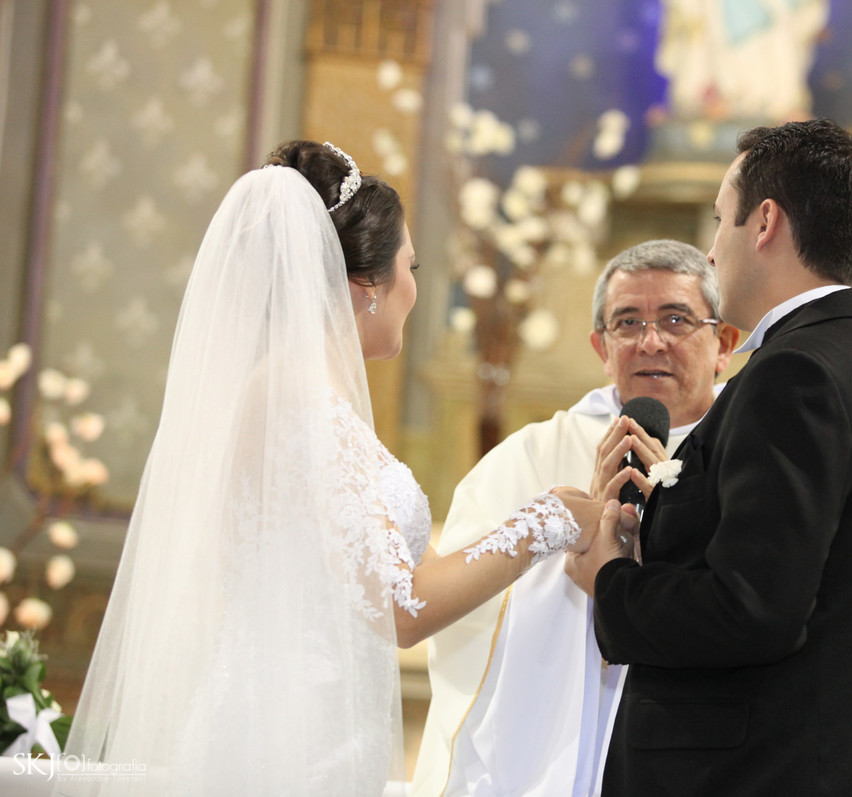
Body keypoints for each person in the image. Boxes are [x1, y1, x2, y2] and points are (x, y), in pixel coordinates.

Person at [57, 141, 598, 797]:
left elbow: (417, 571)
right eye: (411, 266)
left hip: (312, 726)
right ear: (367, 285)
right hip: (284, 737)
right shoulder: (297, 398)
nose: (415, 288)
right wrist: (548, 520)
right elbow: (403, 605)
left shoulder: (307, 395)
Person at [566, 119, 852, 796]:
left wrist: (612, 579)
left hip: (753, 771)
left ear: (764, 221)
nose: (710, 251)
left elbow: (752, 608)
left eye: (719, 220)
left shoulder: (794, 376)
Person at [412, 240, 739, 796]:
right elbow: (461, 610)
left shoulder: (752, 453)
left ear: (723, 344)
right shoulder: (532, 457)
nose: (649, 341)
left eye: (676, 319)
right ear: (601, 346)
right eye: (627, 322)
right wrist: (585, 548)